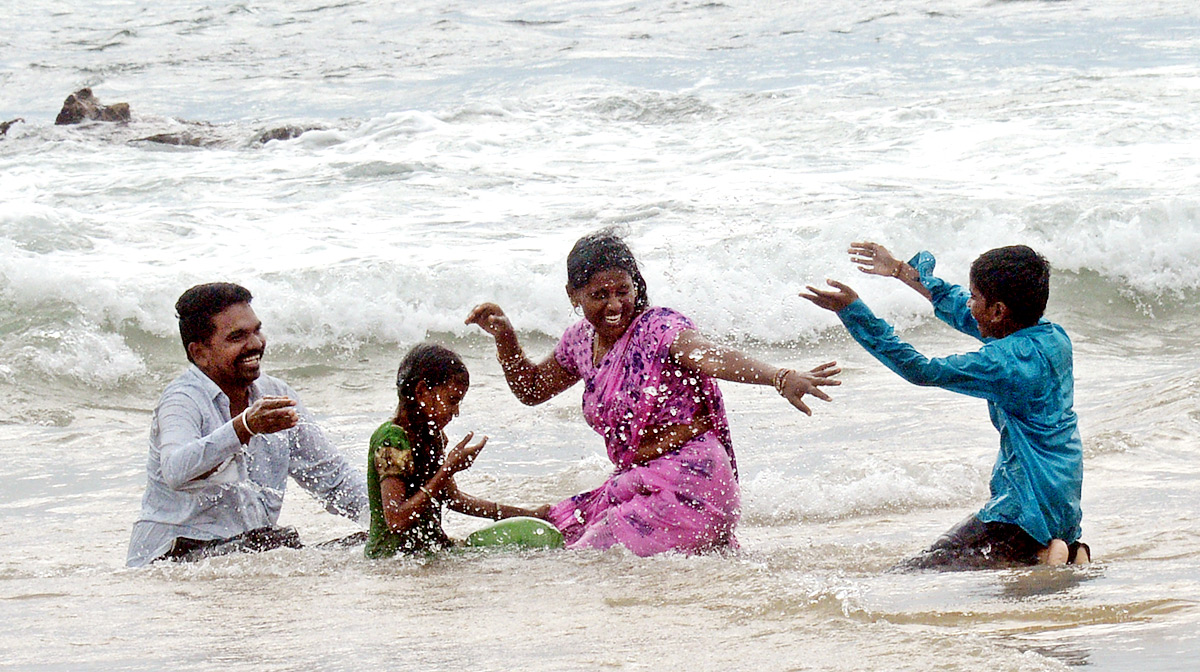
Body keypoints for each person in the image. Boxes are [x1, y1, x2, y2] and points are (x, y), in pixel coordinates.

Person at [465, 230, 840, 556]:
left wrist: (778, 375)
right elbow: (532, 390)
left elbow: (708, 355)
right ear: (573, 295)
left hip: (692, 482)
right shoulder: (580, 341)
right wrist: (505, 338)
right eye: (599, 295)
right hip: (637, 481)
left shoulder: (657, 327)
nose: (614, 306)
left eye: (622, 291)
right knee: (564, 531)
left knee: (584, 563)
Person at [800, 241, 1090, 569]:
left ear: (998, 311)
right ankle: (1065, 547)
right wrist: (901, 272)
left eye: (975, 297)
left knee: (913, 571)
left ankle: (1039, 553)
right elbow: (961, 309)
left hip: (1024, 510)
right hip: (1063, 500)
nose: (969, 304)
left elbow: (923, 370)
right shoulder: (1054, 338)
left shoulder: (1004, 363)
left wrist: (853, 312)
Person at [127, 283, 368, 567]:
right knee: (278, 544)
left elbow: (334, 479)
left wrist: (388, 519)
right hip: (170, 560)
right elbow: (175, 470)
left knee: (364, 546)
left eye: (257, 330)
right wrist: (244, 427)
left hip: (248, 551)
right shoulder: (182, 400)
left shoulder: (276, 395)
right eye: (237, 337)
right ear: (200, 352)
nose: (255, 343)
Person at [365, 343, 559, 558]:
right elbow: (396, 520)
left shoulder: (433, 437)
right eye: (452, 401)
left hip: (428, 553)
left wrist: (527, 514)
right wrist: (447, 469)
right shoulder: (391, 440)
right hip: (391, 561)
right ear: (421, 392)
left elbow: (454, 499)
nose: (456, 412)